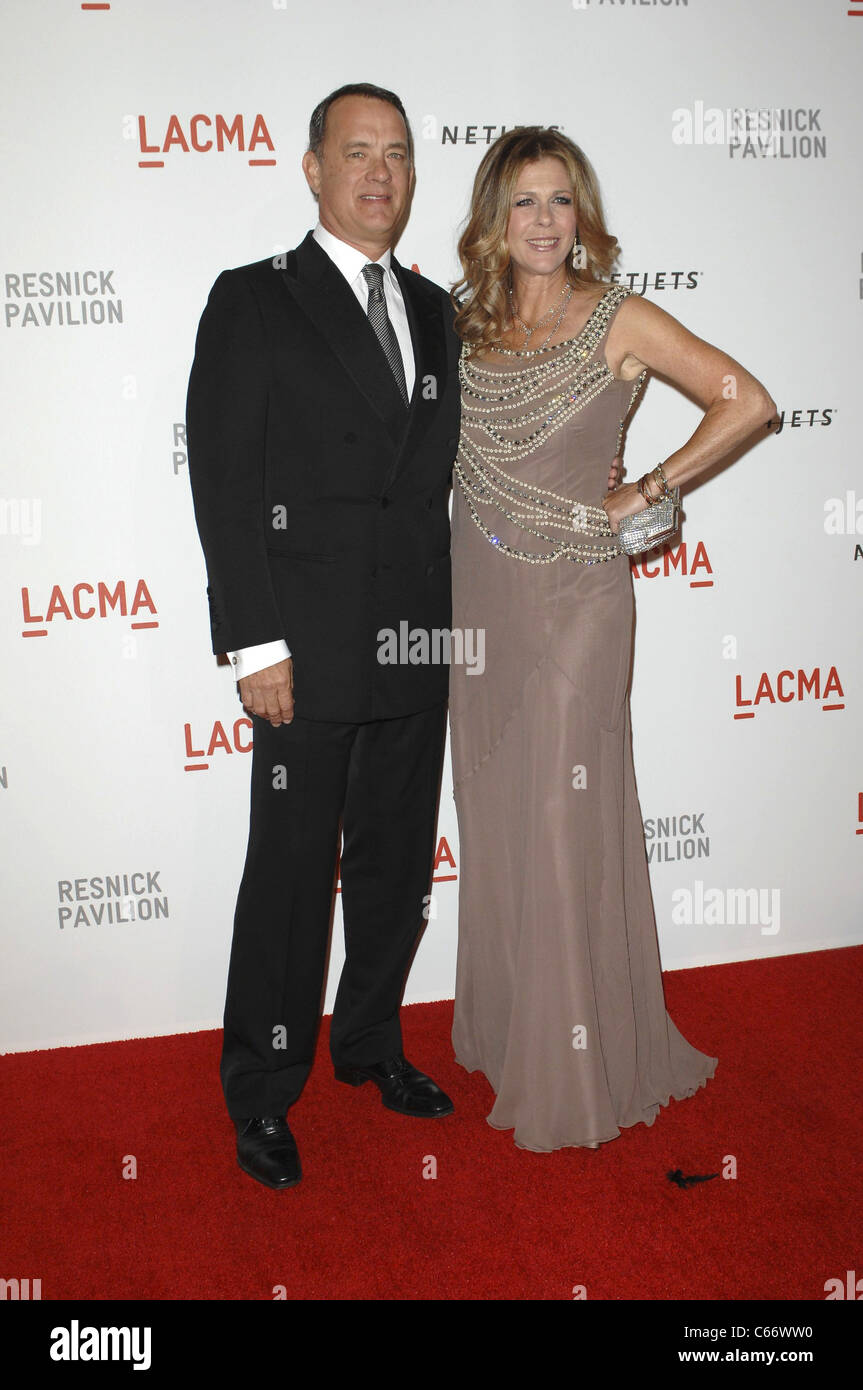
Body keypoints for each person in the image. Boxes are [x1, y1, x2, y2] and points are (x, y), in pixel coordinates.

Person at [448, 126, 776, 1153]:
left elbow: (746, 401)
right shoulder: (466, 328)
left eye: (560, 201)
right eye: (523, 202)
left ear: (580, 215)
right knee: (497, 811)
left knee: (557, 814)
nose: (543, 221)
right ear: (494, 219)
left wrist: (645, 489)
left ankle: (576, 1065)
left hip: (577, 599)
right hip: (476, 596)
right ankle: (513, 1029)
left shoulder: (617, 317)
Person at [185, 83, 464, 1190]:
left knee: (393, 872)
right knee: (294, 877)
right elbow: (223, 480)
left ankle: (369, 1045)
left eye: (395, 155)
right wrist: (256, 645)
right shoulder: (254, 300)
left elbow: (440, 481)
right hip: (303, 652)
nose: (379, 175)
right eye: (356, 153)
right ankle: (261, 1089)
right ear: (311, 168)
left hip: (412, 643)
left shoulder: (436, 308)